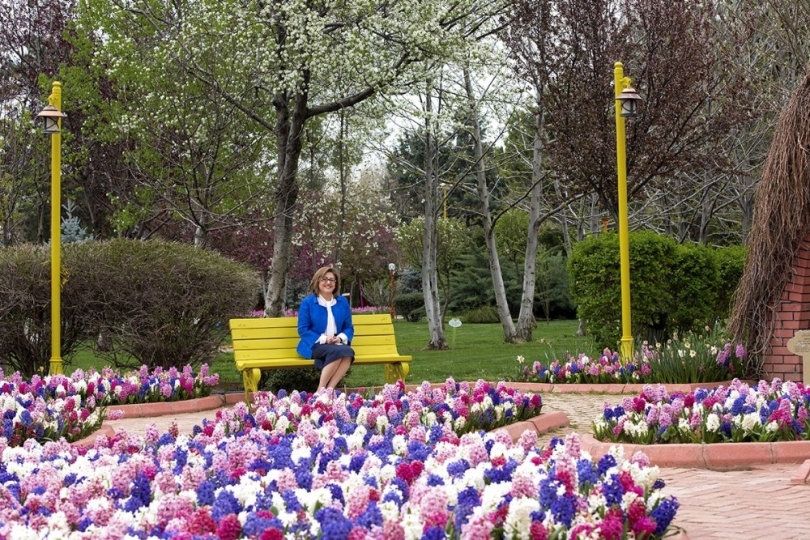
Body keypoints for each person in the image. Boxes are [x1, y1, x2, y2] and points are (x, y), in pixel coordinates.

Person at [296, 266, 355, 390]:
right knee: (339, 351)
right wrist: (324, 339)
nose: (328, 282)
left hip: (336, 344)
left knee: (348, 352)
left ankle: (330, 390)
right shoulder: (308, 302)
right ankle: (320, 389)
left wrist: (339, 338)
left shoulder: (342, 302)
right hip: (314, 344)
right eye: (324, 279)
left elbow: (349, 327)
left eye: (332, 280)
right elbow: (303, 329)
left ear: (336, 283)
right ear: (317, 281)